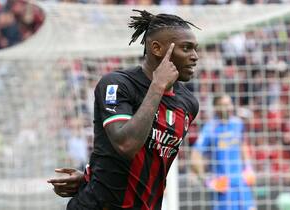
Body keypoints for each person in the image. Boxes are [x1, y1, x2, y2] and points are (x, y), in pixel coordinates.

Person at [48, 9, 200, 210]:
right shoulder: (117, 85)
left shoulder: (188, 103)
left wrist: (88, 177)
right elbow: (126, 145)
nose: (195, 56)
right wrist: (157, 87)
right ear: (156, 48)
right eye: (186, 48)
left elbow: (147, 158)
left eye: (195, 49)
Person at [190, 94, 256, 210]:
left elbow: (242, 144)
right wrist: (206, 181)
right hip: (223, 186)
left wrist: (248, 167)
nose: (229, 107)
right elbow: (195, 155)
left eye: (230, 104)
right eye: (224, 105)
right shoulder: (210, 128)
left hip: (241, 182)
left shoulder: (238, 124)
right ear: (216, 107)